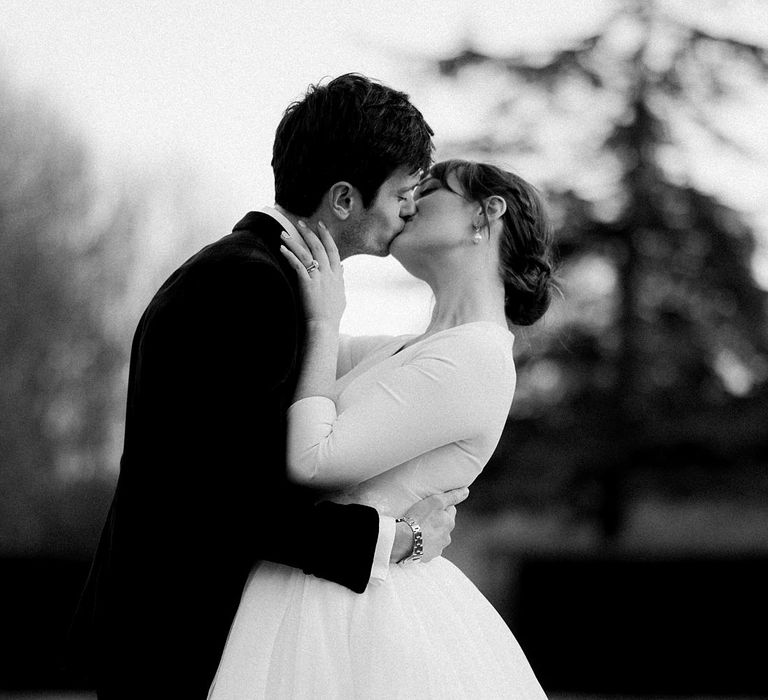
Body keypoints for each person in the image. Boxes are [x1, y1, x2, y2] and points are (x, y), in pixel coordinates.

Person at [70, 74, 467, 699]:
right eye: (402, 191)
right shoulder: (248, 287)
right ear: (343, 199)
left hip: (171, 629)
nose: (410, 208)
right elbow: (230, 498)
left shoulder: (256, 274)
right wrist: (398, 538)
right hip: (179, 638)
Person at [207, 158, 554, 698]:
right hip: (312, 590)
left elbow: (313, 458)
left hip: (353, 615)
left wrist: (325, 321)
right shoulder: (406, 349)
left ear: (486, 214)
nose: (410, 201)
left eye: (433, 188)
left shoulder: (477, 359)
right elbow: (298, 375)